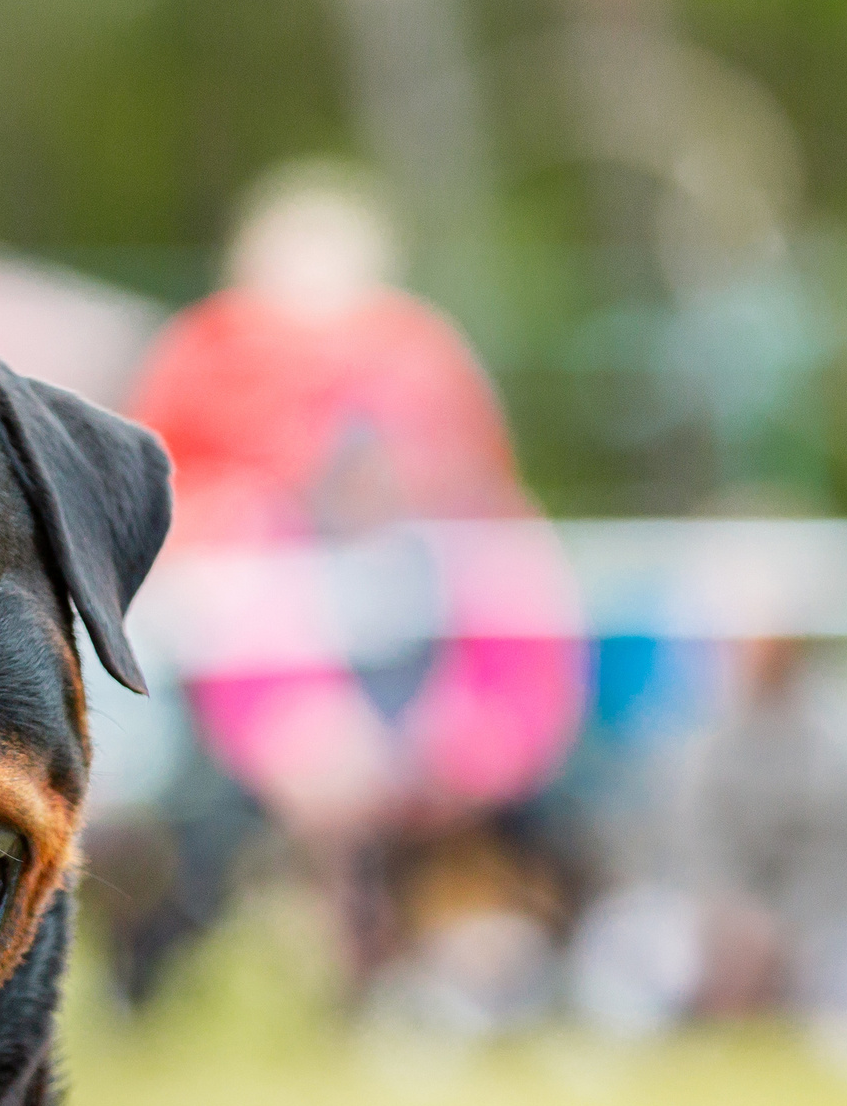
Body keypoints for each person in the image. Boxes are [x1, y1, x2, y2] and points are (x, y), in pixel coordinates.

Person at [122, 163, 588, 1025]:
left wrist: (478, 741)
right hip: (231, 685)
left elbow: (501, 542)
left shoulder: (425, 362)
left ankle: (479, 965)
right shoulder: (201, 363)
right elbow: (162, 539)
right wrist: (291, 733)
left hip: (427, 690)